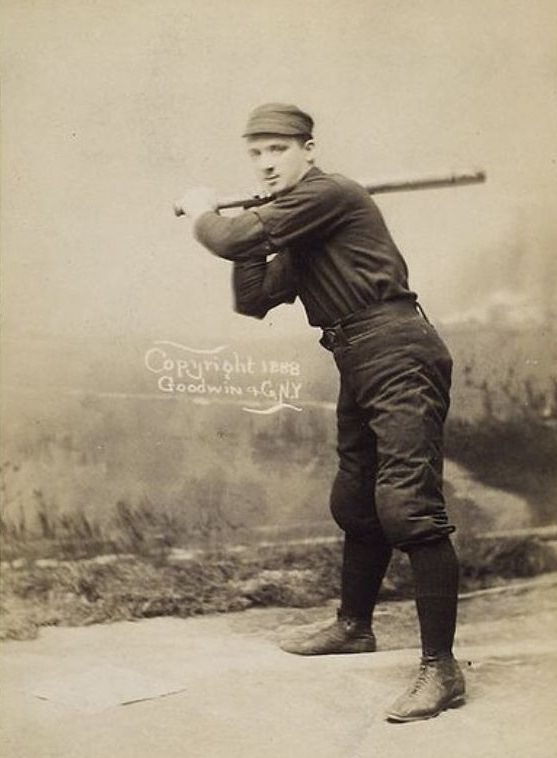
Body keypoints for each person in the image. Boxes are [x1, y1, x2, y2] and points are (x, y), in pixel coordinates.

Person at [175, 103, 465, 722]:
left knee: (408, 506)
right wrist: (253, 224)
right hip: (356, 357)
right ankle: (353, 626)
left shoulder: (328, 193)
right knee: (355, 499)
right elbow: (252, 299)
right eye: (255, 153)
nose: (265, 162)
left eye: (277, 150)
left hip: (398, 350)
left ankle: (441, 671)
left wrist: (209, 212)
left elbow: (228, 239)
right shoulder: (298, 223)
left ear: (308, 149)